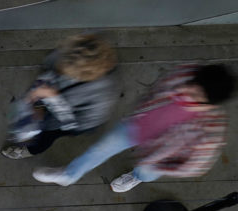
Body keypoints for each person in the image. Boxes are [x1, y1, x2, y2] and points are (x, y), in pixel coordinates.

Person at [33, 63, 234, 192]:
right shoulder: (186, 73)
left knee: (146, 172)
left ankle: (137, 176)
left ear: (210, 104)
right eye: (193, 84)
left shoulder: (209, 130)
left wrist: (160, 164)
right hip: (135, 127)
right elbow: (156, 89)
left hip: (159, 155)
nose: (188, 91)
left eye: (197, 95)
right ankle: (68, 176)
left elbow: (195, 167)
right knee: (98, 150)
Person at [1, 33, 117, 159]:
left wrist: (53, 97)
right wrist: (39, 100)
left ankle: (30, 150)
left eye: (68, 72)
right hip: (48, 98)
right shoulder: (68, 54)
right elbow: (48, 68)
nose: (60, 68)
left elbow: (72, 124)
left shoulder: (102, 93)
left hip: (69, 121)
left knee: (46, 136)